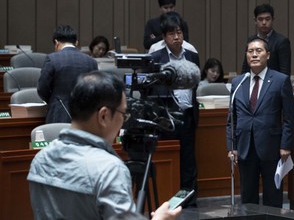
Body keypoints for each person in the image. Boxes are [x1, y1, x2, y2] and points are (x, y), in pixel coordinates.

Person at [28, 71, 182, 219]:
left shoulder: (41, 158)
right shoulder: (109, 170)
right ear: (104, 116)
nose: (124, 121)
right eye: (124, 114)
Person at [227, 38, 294, 208]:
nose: (254, 55)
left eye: (259, 51)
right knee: (248, 197)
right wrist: (232, 146)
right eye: (250, 51)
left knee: (273, 197)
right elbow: (231, 119)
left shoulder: (280, 80)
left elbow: (289, 117)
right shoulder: (238, 82)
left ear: (268, 55)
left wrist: (286, 145)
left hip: (272, 146)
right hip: (245, 146)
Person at [149, 13, 201, 202]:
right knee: (168, 158)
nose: (176, 37)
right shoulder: (155, 58)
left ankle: (188, 201)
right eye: (171, 34)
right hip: (166, 118)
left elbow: (195, 85)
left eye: (179, 32)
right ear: (164, 37)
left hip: (188, 115)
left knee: (188, 161)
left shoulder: (192, 56)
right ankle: (168, 200)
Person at [37, 24, 99, 123]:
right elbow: (96, 90)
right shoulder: (91, 61)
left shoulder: (52, 59)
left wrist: (55, 100)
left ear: (56, 42)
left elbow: (42, 89)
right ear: (76, 42)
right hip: (85, 115)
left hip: (58, 114)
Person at [241, 4, 291, 76]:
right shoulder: (251, 40)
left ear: (272, 20)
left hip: (273, 81)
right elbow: (246, 67)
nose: (264, 22)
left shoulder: (282, 41)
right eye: (260, 19)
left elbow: (284, 71)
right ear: (255, 20)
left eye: (267, 19)